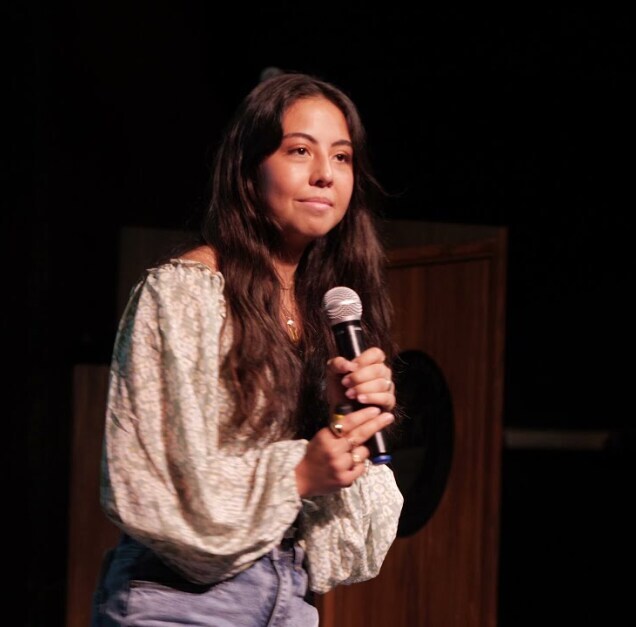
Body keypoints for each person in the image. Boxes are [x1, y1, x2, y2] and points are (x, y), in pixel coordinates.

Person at [89, 71, 404, 627]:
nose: (325, 173)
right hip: (182, 599)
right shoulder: (186, 292)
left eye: (342, 157)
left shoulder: (328, 309)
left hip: (289, 596)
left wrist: (345, 418)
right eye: (299, 150)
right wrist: (297, 475)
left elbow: (348, 540)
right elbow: (154, 482)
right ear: (248, 169)